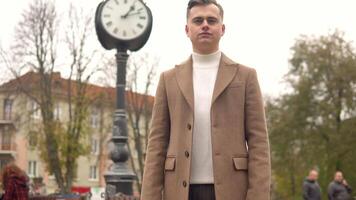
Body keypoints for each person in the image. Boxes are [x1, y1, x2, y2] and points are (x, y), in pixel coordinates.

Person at [140, 0, 271, 200]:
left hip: (232, 191)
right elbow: (157, 143)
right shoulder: (168, 79)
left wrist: (258, 196)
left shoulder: (245, 77)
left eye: (212, 20)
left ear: (222, 28)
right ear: (187, 29)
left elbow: (258, 143)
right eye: (198, 20)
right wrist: (150, 196)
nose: (205, 25)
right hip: (179, 192)